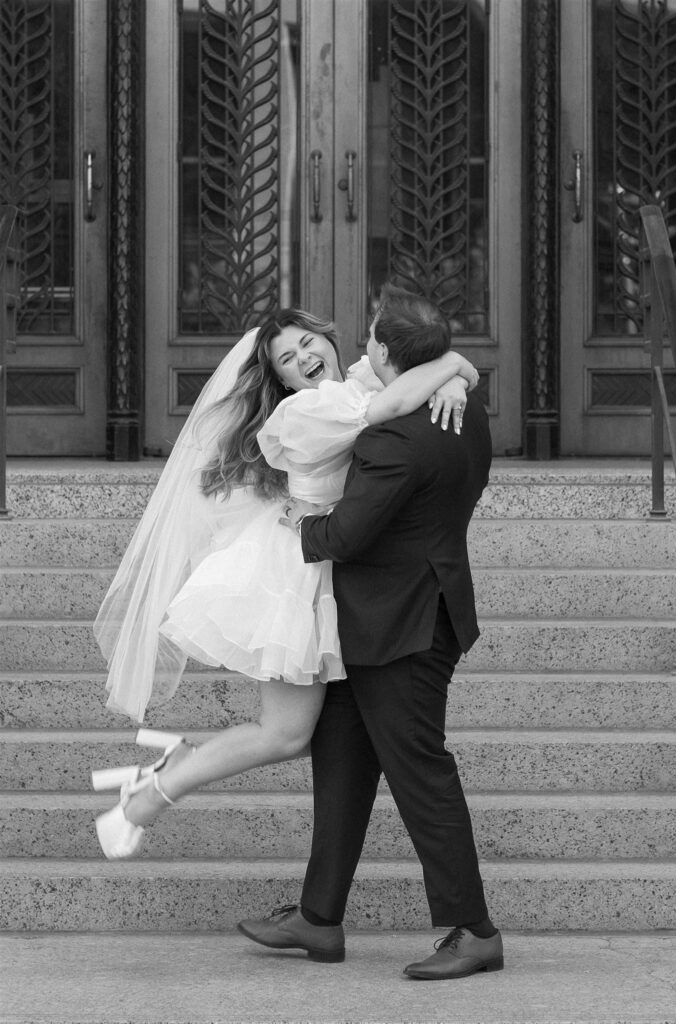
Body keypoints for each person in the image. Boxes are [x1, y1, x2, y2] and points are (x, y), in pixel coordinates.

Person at [93, 304, 478, 860]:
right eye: (288, 359)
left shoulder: (356, 382)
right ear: (281, 378)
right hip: (299, 569)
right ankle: (156, 788)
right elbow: (399, 397)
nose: (304, 359)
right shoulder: (308, 413)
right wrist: (456, 369)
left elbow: (419, 369)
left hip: (340, 564)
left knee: (317, 732)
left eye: (307, 344)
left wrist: (457, 383)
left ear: (329, 339)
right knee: (287, 733)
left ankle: (178, 776)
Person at [237, 284, 502, 981]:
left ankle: (472, 930)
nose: (359, 348)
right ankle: (317, 918)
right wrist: (454, 368)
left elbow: (345, 536)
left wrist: (297, 524)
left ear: (383, 350)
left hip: (403, 627)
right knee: (343, 763)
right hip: (386, 618)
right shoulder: (458, 401)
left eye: (369, 341)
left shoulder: (390, 438)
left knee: (421, 776)